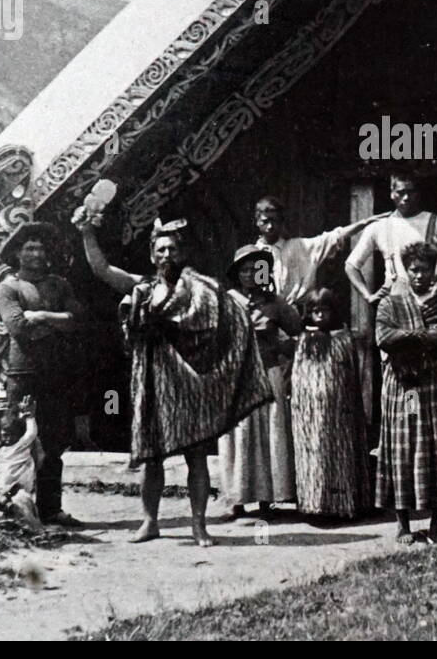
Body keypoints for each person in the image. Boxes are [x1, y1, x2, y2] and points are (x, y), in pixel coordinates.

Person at [75, 211, 273, 546]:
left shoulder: (201, 289)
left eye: (173, 250)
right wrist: (86, 233)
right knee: (152, 457)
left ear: (183, 253)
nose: (167, 256)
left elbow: (227, 317)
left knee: (195, 456)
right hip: (152, 380)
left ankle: (199, 525)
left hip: (190, 382)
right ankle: (150, 522)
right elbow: (102, 270)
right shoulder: (143, 287)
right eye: (161, 250)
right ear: (153, 255)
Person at [375, 241, 437, 543]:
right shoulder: (391, 302)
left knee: (436, 449)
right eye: (414, 270)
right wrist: (421, 335)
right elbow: (384, 336)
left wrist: (414, 339)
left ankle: (436, 522)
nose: (419, 276)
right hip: (406, 386)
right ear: (407, 270)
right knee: (403, 447)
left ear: (435, 271)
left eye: (426, 270)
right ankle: (403, 523)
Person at [0, 222, 83, 527]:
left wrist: (42, 316)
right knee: (18, 440)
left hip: (56, 373)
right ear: (17, 253)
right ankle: (15, 509)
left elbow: (76, 321)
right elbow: (17, 327)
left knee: (53, 443)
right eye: (29, 248)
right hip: (23, 375)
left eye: (41, 248)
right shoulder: (9, 288)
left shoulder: (59, 284)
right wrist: (57, 323)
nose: (36, 253)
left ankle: (51, 508)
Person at [218, 244, 301, 520]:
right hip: (236, 377)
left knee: (268, 435)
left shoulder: (276, 304)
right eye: (244, 270)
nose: (251, 274)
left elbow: (298, 333)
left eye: (256, 269)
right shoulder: (227, 301)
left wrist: (283, 351)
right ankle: (236, 498)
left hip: (268, 374)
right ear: (237, 275)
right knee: (238, 436)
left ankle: (267, 499)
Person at [291, 287, 372, 519]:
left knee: (339, 454)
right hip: (310, 412)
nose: (319, 316)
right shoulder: (304, 340)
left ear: (333, 312)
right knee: (314, 453)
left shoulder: (342, 339)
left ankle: (343, 505)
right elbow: (299, 374)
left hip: (339, 412)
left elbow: (351, 378)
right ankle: (315, 504)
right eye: (315, 311)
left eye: (324, 310)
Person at [345, 172, 437, 307]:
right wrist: (368, 296)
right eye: (401, 192)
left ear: (418, 193)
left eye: (411, 192)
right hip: (395, 303)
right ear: (392, 193)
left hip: (430, 301)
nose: (406, 197)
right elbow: (351, 266)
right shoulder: (380, 226)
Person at [253, 196, 389, 309]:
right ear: (257, 222)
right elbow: (260, 289)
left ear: (281, 222)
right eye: (265, 221)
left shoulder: (299, 247)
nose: (270, 226)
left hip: (299, 314)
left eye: (274, 221)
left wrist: (364, 223)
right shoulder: (257, 254)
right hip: (268, 317)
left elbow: (335, 236)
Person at [0, 402, 44, 533]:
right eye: (5, 435)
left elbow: (31, 433)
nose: (9, 438)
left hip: (20, 484)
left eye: (13, 435)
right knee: (4, 505)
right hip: (4, 485)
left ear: (20, 435)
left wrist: (30, 417)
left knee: (22, 501)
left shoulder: (21, 445)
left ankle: (34, 528)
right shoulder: (0, 450)